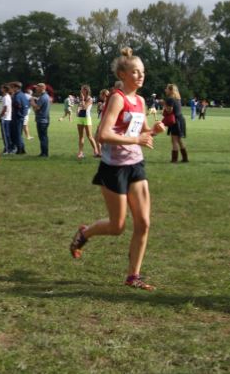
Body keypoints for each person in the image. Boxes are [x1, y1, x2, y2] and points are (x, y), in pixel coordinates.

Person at [70, 47, 165, 291]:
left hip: (136, 165)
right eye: (135, 72)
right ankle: (85, 233)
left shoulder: (140, 101)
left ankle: (133, 276)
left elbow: (141, 131)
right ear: (123, 74)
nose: (141, 76)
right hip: (113, 168)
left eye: (142, 72)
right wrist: (137, 140)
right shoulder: (117, 98)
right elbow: (103, 134)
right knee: (118, 226)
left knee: (144, 223)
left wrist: (154, 131)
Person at [164, 84, 188, 163]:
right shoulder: (177, 98)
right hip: (180, 120)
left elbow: (169, 111)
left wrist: (163, 104)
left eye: (167, 89)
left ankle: (174, 160)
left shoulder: (170, 99)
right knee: (179, 140)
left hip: (176, 121)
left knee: (174, 140)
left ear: (171, 90)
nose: (165, 90)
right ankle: (185, 159)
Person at [76, 84, 100, 159]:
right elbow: (79, 107)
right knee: (80, 136)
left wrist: (82, 100)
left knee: (89, 136)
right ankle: (80, 153)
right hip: (80, 118)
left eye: (82, 89)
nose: (80, 91)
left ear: (86, 90)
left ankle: (96, 151)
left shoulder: (90, 99)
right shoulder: (81, 98)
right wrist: (77, 110)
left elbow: (85, 107)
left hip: (87, 118)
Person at [30, 83, 50, 157]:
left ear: (42, 88)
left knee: (43, 137)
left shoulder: (43, 97)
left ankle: (44, 153)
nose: (36, 89)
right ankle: (44, 152)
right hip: (45, 119)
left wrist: (32, 101)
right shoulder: (46, 96)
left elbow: (37, 108)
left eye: (37, 87)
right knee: (44, 137)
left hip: (42, 120)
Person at [11, 81, 28, 154]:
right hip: (22, 116)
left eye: (13, 87)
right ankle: (22, 148)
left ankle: (20, 149)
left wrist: (17, 112)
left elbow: (17, 105)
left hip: (17, 117)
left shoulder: (17, 95)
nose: (12, 88)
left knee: (17, 134)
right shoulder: (23, 95)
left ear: (16, 87)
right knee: (19, 133)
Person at [0, 84, 13, 154]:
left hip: (5, 118)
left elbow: (5, 108)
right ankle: (7, 148)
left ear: (4, 89)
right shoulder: (6, 97)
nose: (0, 89)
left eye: (2, 88)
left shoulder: (6, 97)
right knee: (6, 134)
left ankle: (7, 149)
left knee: (5, 135)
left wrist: (0, 116)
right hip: (7, 118)